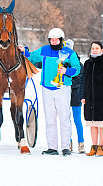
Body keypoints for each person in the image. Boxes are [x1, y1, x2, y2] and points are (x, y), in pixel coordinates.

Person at [18, 28, 81, 156]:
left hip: (62, 88)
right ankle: (52, 147)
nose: (53, 41)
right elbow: (32, 56)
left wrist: (66, 71)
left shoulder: (69, 52)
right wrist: (24, 51)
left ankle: (65, 147)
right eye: (51, 39)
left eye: (56, 39)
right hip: (46, 88)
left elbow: (77, 68)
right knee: (50, 119)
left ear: (61, 39)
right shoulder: (44, 49)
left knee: (64, 118)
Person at [82, 41, 103, 157]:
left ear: (101, 50)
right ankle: (93, 146)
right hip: (90, 98)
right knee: (92, 123)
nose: (94, 50)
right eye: (93, 48)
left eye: (97, 48)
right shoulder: (87, 63)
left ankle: (101, 146)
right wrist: (82, 95)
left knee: (102, 124)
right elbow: (83, 80)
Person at [65, 39, 85, 154]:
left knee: (77, 120)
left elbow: (80, 78)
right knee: (66, 119)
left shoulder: (79, 63)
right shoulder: (61, 61)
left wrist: (70, 78)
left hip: (76, 94)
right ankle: (69, 142)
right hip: (64, 93)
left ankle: (81, 143)